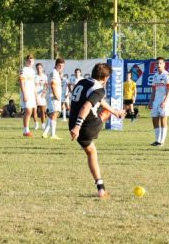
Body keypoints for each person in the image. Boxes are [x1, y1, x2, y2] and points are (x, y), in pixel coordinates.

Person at [69, 63, 126, 198]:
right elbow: (86, 106)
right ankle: (109, 116)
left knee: (91, 152)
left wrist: (114, 111)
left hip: (72, 123)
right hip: (87, 124)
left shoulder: (82, 81)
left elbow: (94, 100)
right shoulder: (99, 89)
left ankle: (101, 187)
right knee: (101, 111)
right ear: (105, 77)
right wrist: (78, 126)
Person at [148, 57, 169, 146]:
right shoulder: (155, 76)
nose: (158, 65)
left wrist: (165, 101)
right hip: (156, 101)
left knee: (163, 120)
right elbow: (154, 90)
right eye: (157, 63)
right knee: (154, 119)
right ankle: (157, 140)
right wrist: (151, 101)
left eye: (160, 63)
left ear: (164, 64)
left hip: (164, 100)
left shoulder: (167, 75)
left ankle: (161, 142)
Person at [42, 58, 65, 140]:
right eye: (61, 66)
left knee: (53, 114)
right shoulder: (54, 73)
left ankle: (45, 133)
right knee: (54, 114)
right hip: (53, 96)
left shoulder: (56, 73)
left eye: (62, 66)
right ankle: (53, 134)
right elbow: (53, 85)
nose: (61, 67)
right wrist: (56, 95)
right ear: (57, 65)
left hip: (53, 96)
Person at [19, 54, 37, 137]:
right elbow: (21, 82)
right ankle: (26, 130)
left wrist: (35, 94)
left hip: (32, 94)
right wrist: (24, 94)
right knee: (28, 111)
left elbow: (33, 84)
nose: (30, 62)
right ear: (26, 61)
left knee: (31, 111)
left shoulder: (33, 71)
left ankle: (26, 130)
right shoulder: (24, 69)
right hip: (26, 93)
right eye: (29, 61)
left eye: (32, 61)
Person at [34, 62, 48, 130]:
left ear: (42, 68)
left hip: (42, 95)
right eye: (37, 68)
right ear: (36, 69)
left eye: (40, 68)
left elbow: (46, 86)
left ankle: (43, 125)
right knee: (34, 110)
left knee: (43, 111)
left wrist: (44, 92)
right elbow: (32, 86)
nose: (39, 69)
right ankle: (36, 124)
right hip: (35, 95)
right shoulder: (34, 76)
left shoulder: (45, 76)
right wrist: (35, 95)